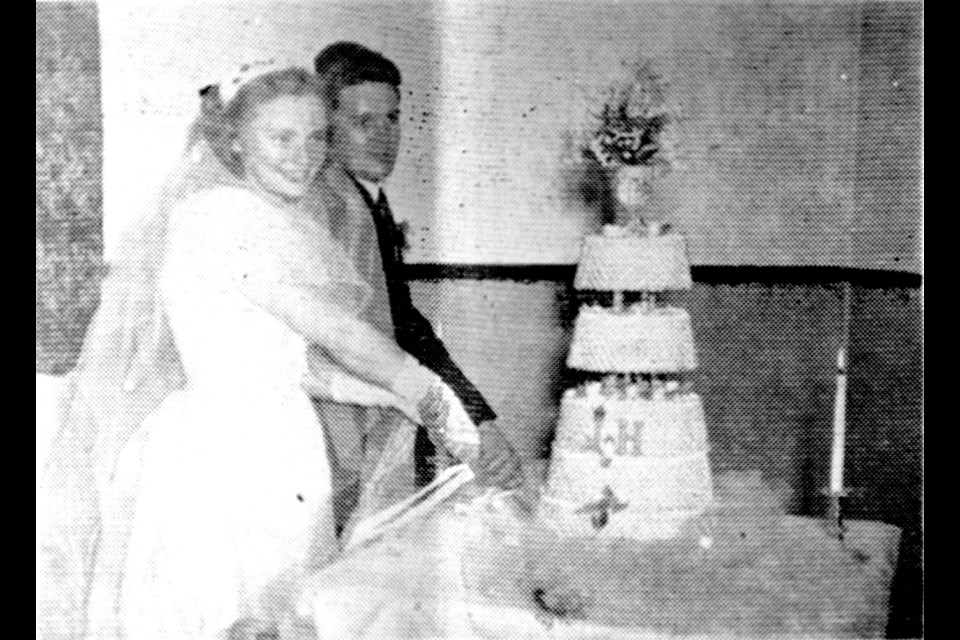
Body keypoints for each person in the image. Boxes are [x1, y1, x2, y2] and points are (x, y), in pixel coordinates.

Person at [36, 61, 492, 640]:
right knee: (234, 610)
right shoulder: (218, 217)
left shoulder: (280, 220)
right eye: (281, 137)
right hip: (224, 453)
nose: (302, 155)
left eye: (316, 137)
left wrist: (393, 399)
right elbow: (338, 333)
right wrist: (443, 407)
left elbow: (291, 365)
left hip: (284, 444)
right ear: (235, 140)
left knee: (286, 616)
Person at [310, 43, 523, 531]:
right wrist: (468, 422)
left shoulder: (363, 198)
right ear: (327, 127)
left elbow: (405, 320)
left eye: (393, 118)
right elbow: (389, 334)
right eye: (365, 122)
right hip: (346, 417)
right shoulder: (336, 207)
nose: (386, 137)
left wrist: (475, 418)